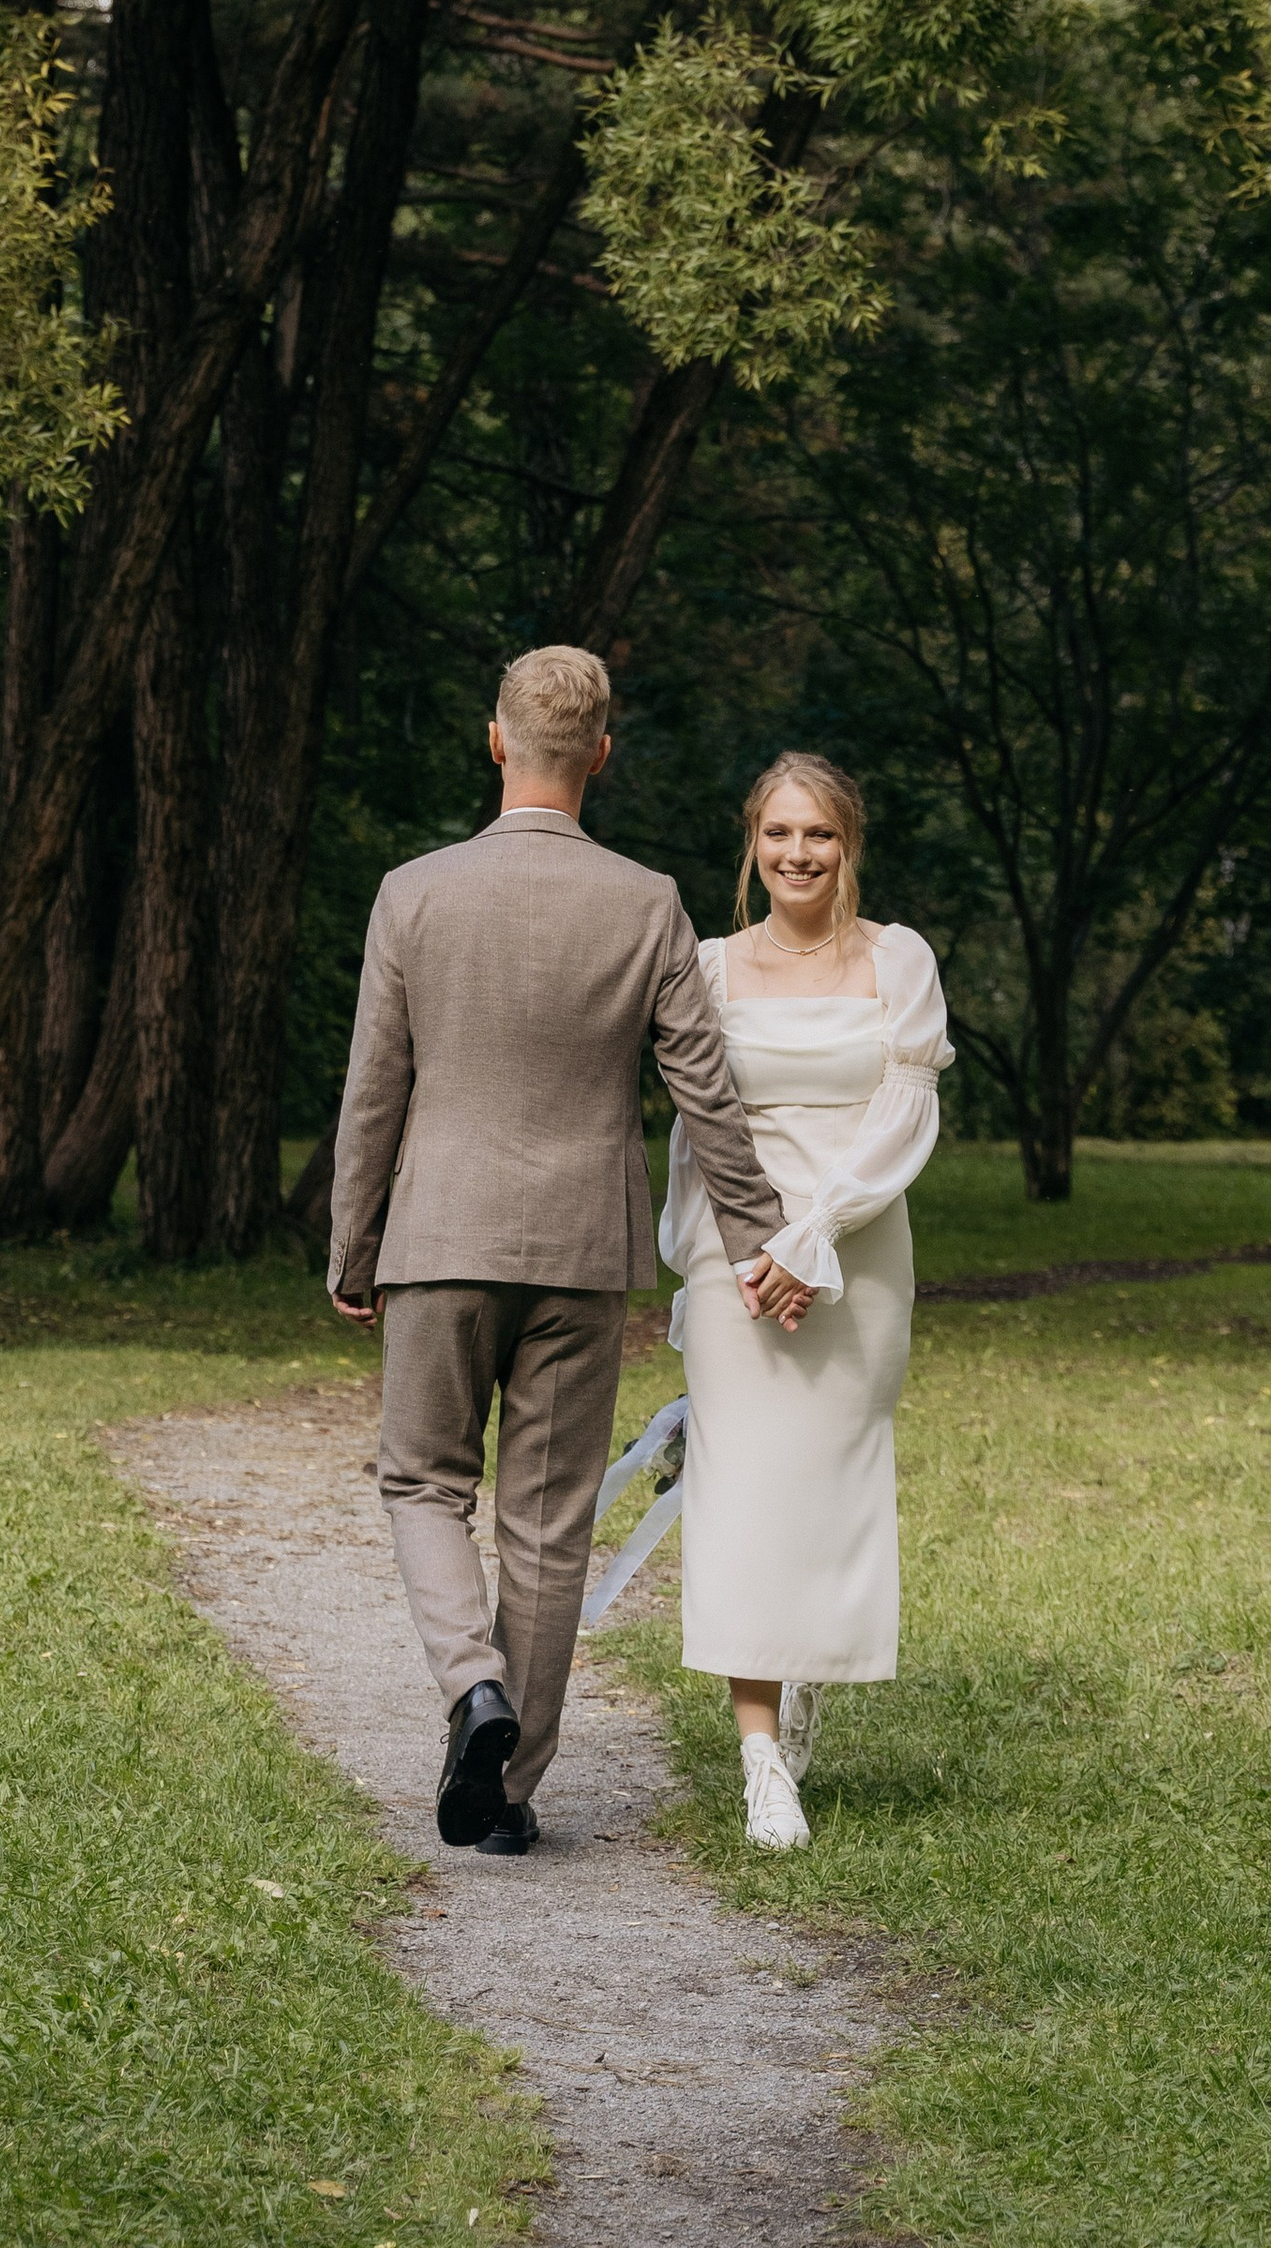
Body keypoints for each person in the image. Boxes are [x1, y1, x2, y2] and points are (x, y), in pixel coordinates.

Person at [327, 646, 799, 1855]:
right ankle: (508, 1790)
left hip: (439, 1236)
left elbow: (375, 1086)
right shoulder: (646, 903)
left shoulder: (413, 892)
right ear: (600, 753)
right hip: (584, 1252)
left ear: (496, 743)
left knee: (423, 1483)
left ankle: (469, 1686)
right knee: (549, 1522)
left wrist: (353, 1240)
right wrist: (758, 1241)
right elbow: (707, 1097)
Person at [659, 752, 952, 1854]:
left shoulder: (898, 961)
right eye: (779, 834)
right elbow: (697, 1130)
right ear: (752, 843)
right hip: (735, 1265)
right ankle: (760, 1760)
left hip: (856, 1249)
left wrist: (815, 1234)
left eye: (818, 836)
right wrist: (743, 1251)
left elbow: (902, 1114)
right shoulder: (709, 966)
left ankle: (812, 1671)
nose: (797, 855)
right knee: (739, 1495)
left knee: (831, 1483)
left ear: (848, 845)